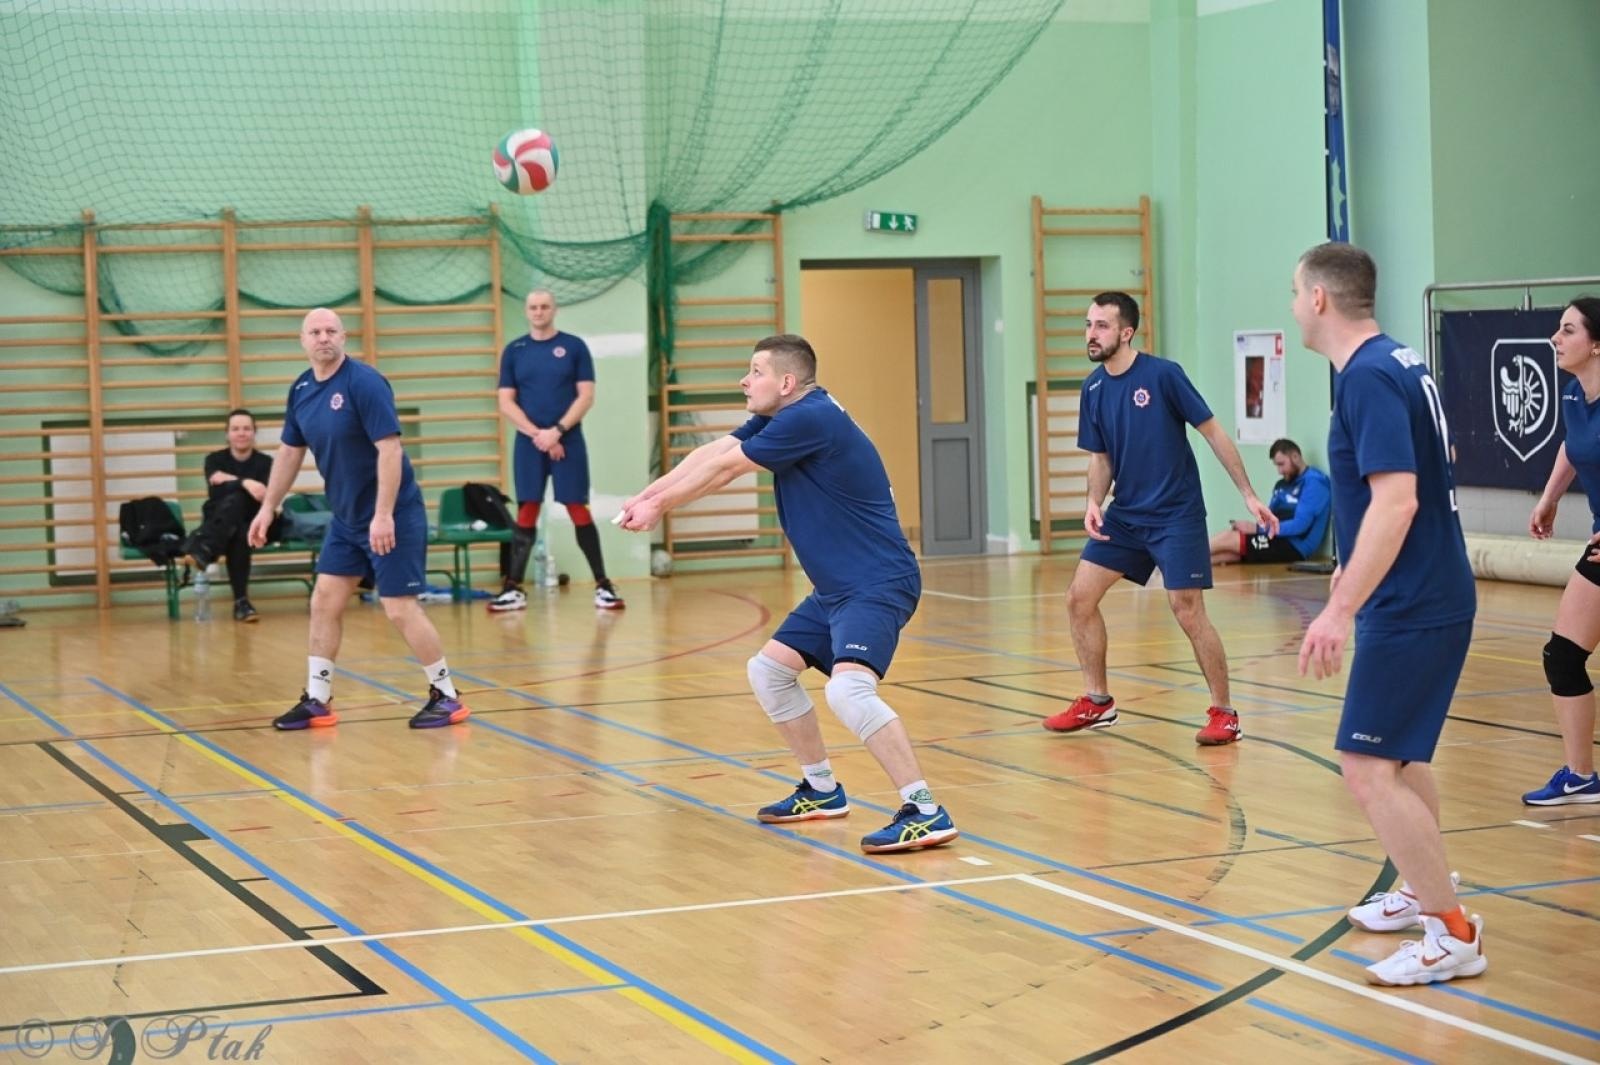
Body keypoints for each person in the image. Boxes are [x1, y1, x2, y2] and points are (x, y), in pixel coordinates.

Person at [616, 334, 958, 854]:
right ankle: (822, 789)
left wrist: (660, 509)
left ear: (787, 382)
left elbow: (726, 470)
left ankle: (925, 810)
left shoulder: (809, 419)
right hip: (837, 587)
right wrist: (649, 494)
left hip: (876, 582)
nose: (744, 381)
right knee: (769, 671)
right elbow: (718, 450)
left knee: (848, 691)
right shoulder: (790, 413)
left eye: (754, 371)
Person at [1293, 242, 1485, 986]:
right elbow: (1388, 495)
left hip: (1415, 602)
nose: (1292, 304)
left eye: (1293, 292)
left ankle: (1454, 931)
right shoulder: (1395, 361)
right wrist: (1353, 566)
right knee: (1401, 758)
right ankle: (1419, 889)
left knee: (1367, 766)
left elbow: (1399, 497)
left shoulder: (1367, 376)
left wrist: (1337, 610)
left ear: (1318, 299)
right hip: (1419, 591)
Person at [1044, 292, 1276, 745]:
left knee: (1186, 610)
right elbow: (1102, 458)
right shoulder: (1092, 388)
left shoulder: (1164, 376)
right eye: (1089, 325)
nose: (1091, 334)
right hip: (1126, 516)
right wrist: (1093, 501)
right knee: (1078, 598)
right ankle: (1098, 700)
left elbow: (1214, 433)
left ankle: (1224, 713)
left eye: (1102, 326)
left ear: (1126, 333)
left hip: (1176, 514)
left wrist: (1248, 494)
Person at [247, 308, 469, 731]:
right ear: (303, 340)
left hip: (392, 514)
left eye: (331, 330)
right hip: (347, 520)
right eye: (315, 331)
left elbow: (390, 450)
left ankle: (447, 695)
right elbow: (291, 452)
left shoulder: (364, 383)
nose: (323, 337)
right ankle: (317, 699)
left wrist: (383, 515)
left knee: (399, 608)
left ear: (344, 336)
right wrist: (268, 505)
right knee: (324, 601)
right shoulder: (302, 389)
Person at [491, 289, 623, 612]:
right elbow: (505, 401)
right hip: (530, 442)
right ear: (526, 311)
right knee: (527, 510)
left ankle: (603, 586)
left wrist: (557, 431)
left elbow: (586, 396)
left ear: (554, 310)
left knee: (578, 508)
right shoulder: (514, 351)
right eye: (533, 307)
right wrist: (539, 434)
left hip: (568, 441)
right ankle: (513, 588)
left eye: (544, 306)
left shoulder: (575, 347)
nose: (539, 312)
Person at [1522, 297, 1600, 805]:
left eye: (1568, 330)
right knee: (1563, 656)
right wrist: (1549, 499)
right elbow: (1573, 448)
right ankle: (1581, 775)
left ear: (1596, 344)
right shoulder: (1574, 395)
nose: (1556, 337)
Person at [182, 408, 277, 622]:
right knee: (238, 526)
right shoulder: (214, 460)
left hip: (258, 523)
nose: (241, 433)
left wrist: (230, 480)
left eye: (246, 428)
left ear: (254, 432)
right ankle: (241, 603)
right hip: (227, 523)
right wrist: (245, 482)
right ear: (227, 434)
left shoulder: (266, 463)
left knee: (238, 504)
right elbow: (216, 492)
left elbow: (262, 494)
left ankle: (205, 547)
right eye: (235, 429)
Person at [1209, 438, 1331, 566]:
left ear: (1295, 456)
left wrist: (1257, 529)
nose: (1279, 471)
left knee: (1229, 538)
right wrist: (1256, 526)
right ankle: (1189, 565)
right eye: (1277, 465)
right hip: (1275, 536)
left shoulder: (1315, 483)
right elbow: (1268, 516)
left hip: (1295, 546)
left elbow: (1300, 525)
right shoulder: (1282, 484)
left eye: (1281, 464)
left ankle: (1188, 553)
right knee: (1226, 553)